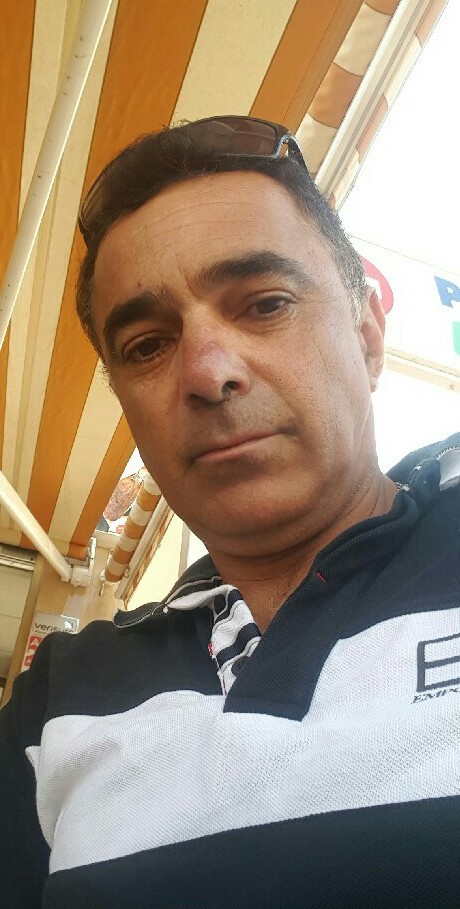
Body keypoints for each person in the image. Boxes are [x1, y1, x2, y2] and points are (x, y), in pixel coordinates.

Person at [1, 116, 459, 908]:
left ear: (368, 336)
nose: (207, 372)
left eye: (266, 303)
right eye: (147, 345)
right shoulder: (59, 694)